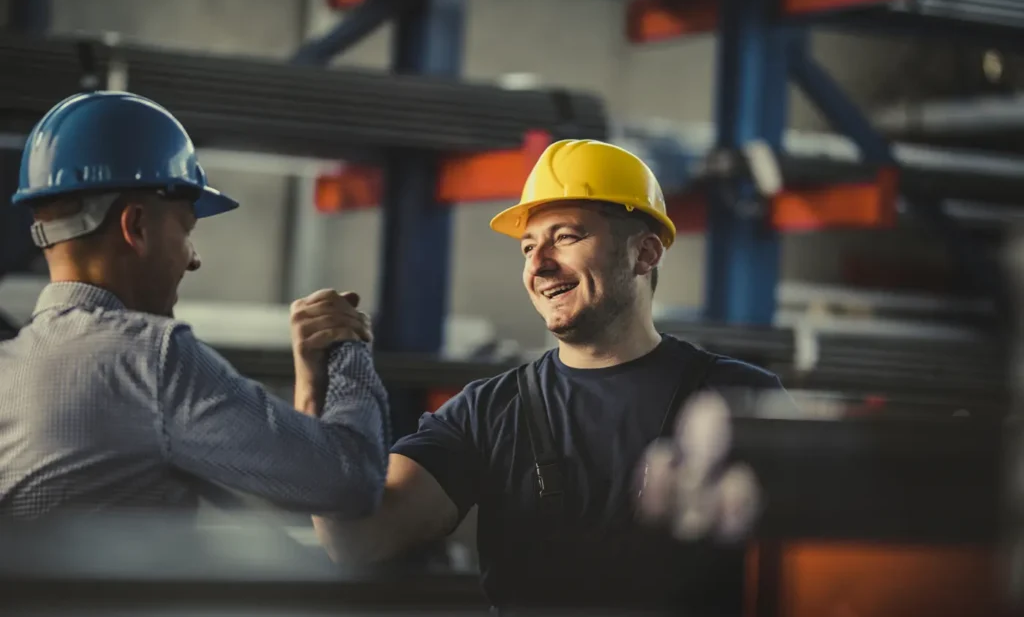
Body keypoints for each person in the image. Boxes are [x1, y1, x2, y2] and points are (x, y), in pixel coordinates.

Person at [310, 139, 794, 613]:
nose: (539, 265)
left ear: (645, 254)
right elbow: (358, 539)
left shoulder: (742, 399)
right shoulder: (487, 412)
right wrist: (316, 388)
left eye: (566, 237)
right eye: (527, 247)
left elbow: (814, 566)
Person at [0, 91, 390, 519]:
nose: (194, 258)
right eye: (186, 230)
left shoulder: (10, 367)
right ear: (137, 226)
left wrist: (312, 390)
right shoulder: (150, 357)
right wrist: (347, 345)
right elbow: (353, 480)